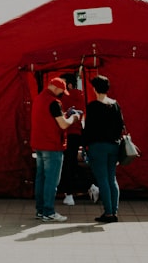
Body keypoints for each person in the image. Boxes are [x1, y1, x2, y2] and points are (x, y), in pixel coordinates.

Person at [31, 76, 81, 222]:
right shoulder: (54, 102)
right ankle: (48, 212)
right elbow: (63, 125)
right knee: (51, 181)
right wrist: (74, 118)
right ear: (56, 87)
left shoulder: (39, 98)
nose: (61, 94)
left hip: (39, 145)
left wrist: (65, 114)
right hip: (52, 146)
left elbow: (50, 119)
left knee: (41, 179)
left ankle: (40, 211)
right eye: (61, 91)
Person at [82, 75, 125, 223]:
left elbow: (88, 129)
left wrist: (84, 145)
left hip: (97, 146)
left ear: (94, 88)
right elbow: (121, 126)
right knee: (112, 178)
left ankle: (108, 212)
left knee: (103, 179)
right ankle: (114, 210)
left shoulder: (93, 106)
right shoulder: (115, 105)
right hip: (113, 145)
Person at [57, 73, 86, 206]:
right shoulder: (81, 95)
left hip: (67, 133)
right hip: (77, 133)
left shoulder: (64, 97)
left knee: (67, 164)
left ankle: (69, 194)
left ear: (68, 84)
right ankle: (89, 186)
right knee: (72, 162)